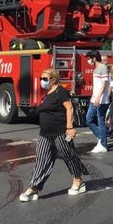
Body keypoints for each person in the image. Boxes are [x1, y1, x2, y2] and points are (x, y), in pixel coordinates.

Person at [19, 68, 89, 202]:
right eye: (41, 79)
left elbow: (69, 108)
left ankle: (78, 180)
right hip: (44, 134)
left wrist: (69, 127)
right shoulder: (47, 94)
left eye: (45, 79)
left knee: (68, 155)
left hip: (60, 132)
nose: (42, 81)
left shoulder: (60, 91)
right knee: (41, 160)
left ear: (53, 79)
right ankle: (34, 187)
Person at [85, 50, 110, 153]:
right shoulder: (97, 68)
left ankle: (103, 144)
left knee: (100, 120)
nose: (88, 61)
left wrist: (98, 97)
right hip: (95, 98)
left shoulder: (103, 68)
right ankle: (101, 137)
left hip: (101, 100)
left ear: (94, 58)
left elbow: (104, 84)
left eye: (89, 58)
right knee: (89, 119)